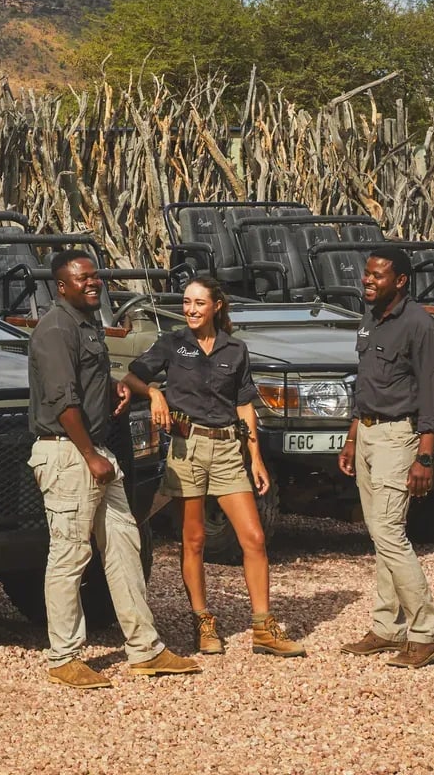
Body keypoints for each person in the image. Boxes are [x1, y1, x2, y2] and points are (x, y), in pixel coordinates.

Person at [27, 250, 200, 688]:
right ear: (61, 286)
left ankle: (146, 649)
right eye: (81, 278)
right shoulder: (55, 329)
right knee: (69, 555)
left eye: (95, 276)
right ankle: (63, 656)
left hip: (97, 451)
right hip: (70, 454)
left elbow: (85, 388)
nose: (93, 283)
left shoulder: (86, 325)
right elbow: (62, 401)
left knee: (124, 546)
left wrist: (116, 391)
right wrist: (90, 455)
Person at [124, 276, 304, 657]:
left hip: (227, 450)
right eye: (187, 302)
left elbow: (244, 406)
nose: (190, 309)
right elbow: (132, 378)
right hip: (187, 448)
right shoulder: (172, 343)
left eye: (199, 303)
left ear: (216, 306)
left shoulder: (235, 350)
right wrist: (155, 393)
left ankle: (263, 627)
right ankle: (202, 620)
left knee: (253, 537)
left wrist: (255, 458)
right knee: (194, 540)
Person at [336, 246, 434, 667]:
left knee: (389, 533)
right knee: (380, 533)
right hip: (366, 435)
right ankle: (388, 628)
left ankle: (426, 632)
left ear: (400, 280)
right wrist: (351, 439)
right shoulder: (369, 319)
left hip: (399, 437)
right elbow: (366, 384)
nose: (368, 281)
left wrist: (425, 456)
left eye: (377, 275)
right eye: (366, 274)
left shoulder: (420, 325)